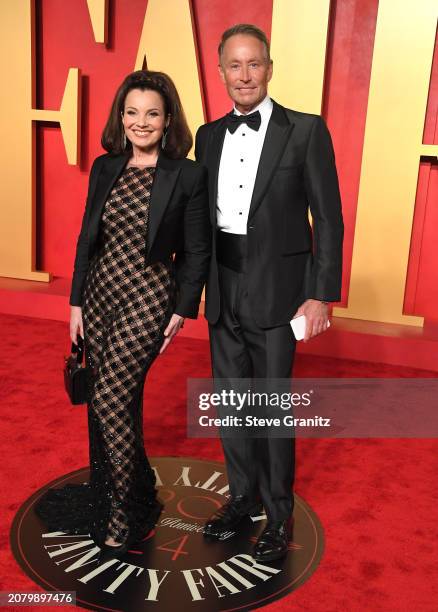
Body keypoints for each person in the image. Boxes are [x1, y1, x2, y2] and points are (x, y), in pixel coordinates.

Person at [35, 70, 211, 559]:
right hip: (100, 292)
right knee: (112, 397)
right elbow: (87, 239)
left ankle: (123, 512)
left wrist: (182, 307)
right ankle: (134, 484)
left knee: (112, 391)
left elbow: (197, 251)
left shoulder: (188, 174)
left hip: (150, 295)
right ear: (121, 117)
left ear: (168, 118)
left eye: (152, 113)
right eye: (131, 112)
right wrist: (74, 301)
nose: (140, 122)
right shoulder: (104, 167)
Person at [195, 24, 343, 562]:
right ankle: (241, 501)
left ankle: (278, 515)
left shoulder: (305, 130)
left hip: (281, 293)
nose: (244, 75)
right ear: (221, 72)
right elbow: (200, 223)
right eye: (234, 66)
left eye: (253, 64)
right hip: (223, 288)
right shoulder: (208, 136)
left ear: (270, 67)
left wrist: (320, 294)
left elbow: (328, 218)